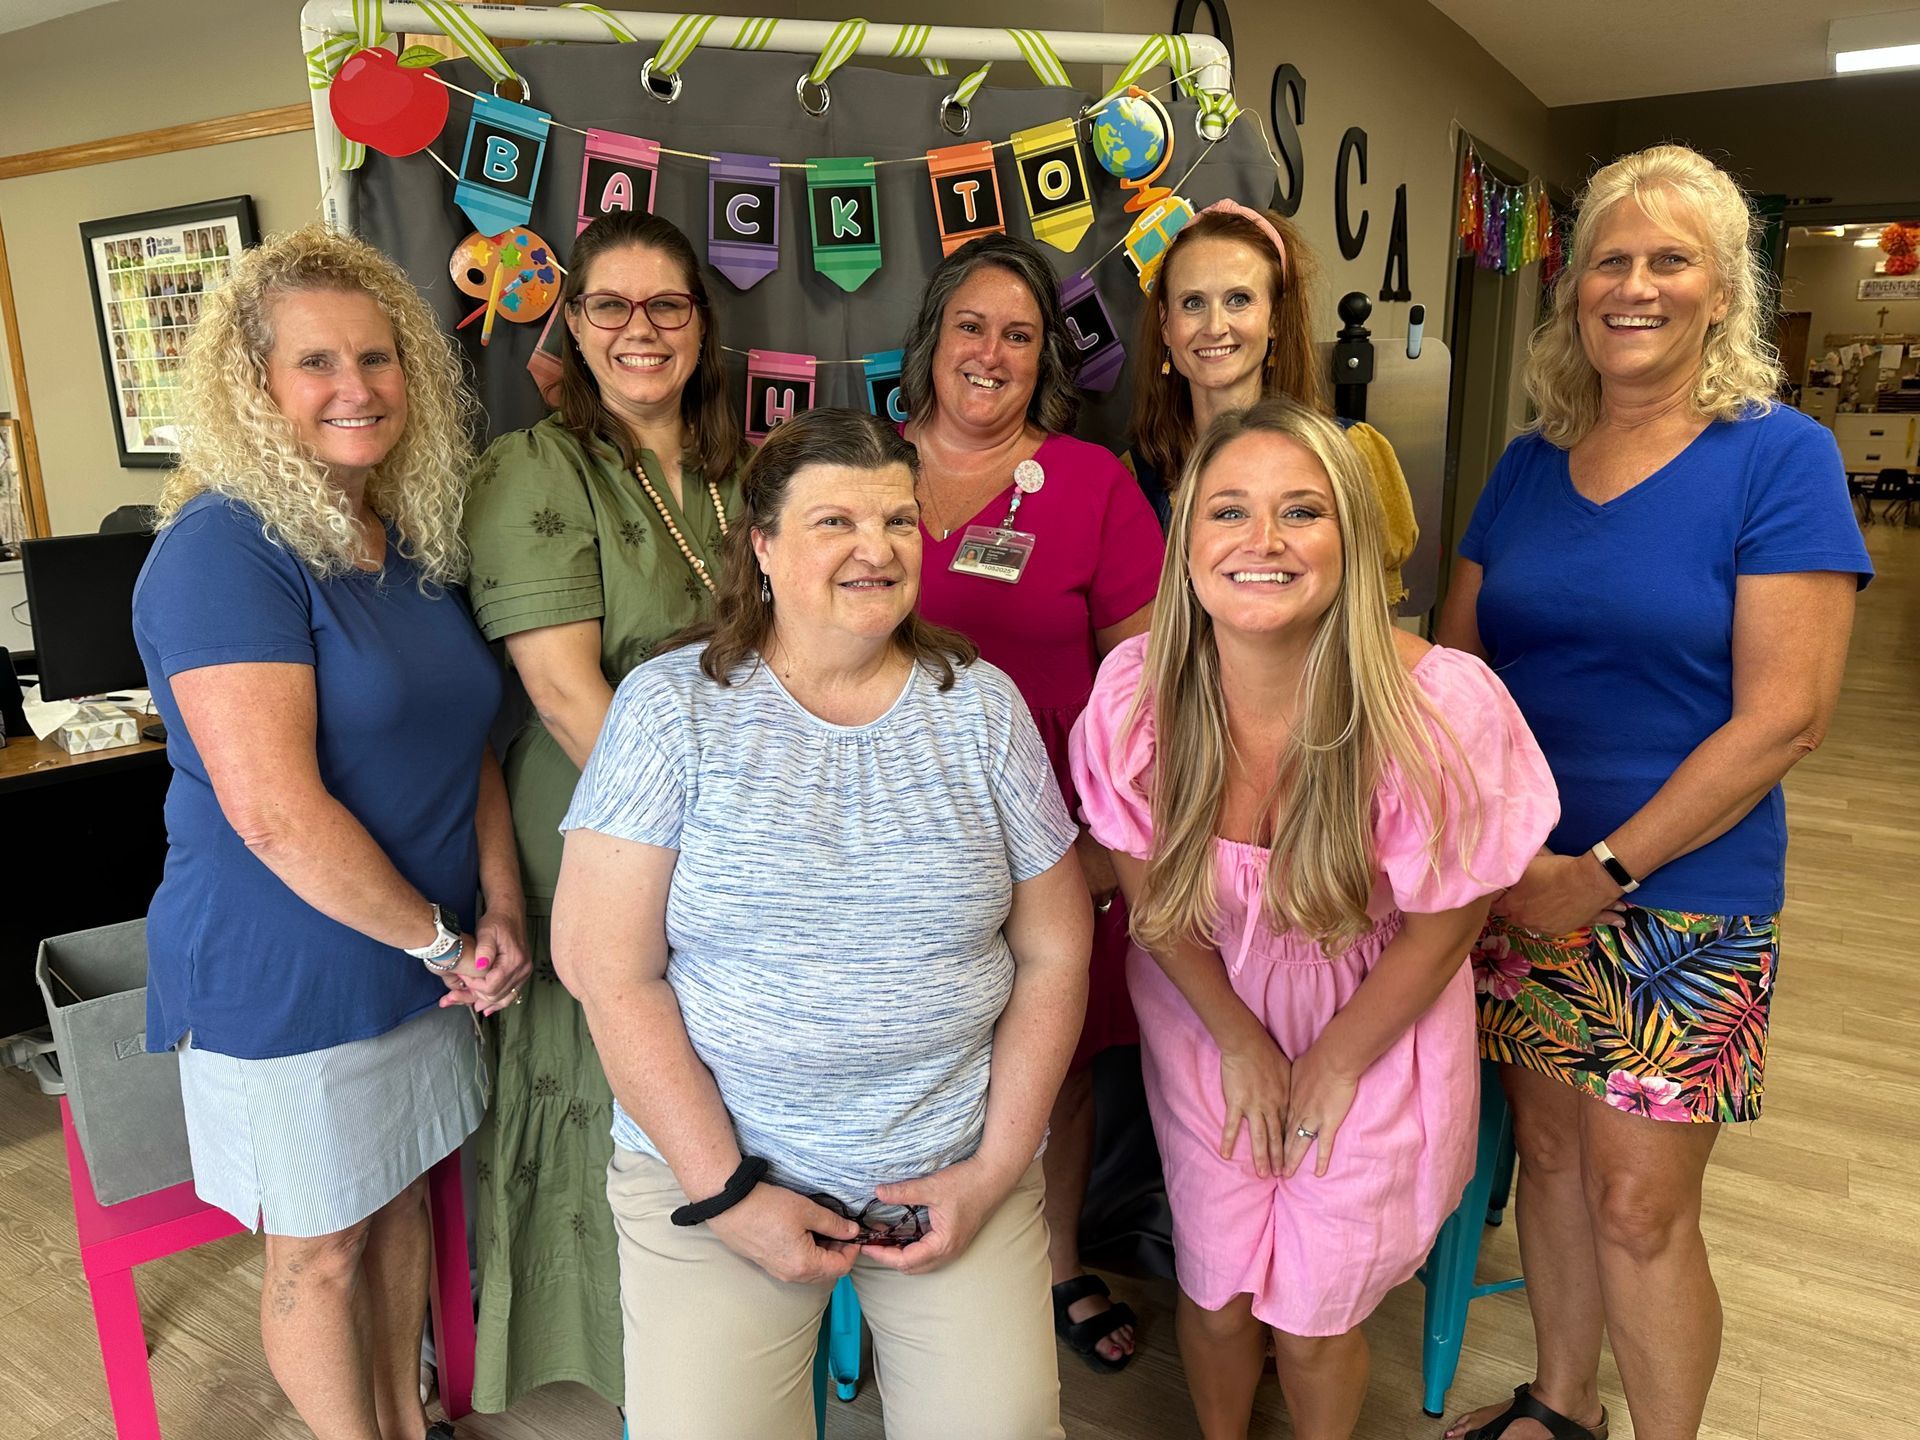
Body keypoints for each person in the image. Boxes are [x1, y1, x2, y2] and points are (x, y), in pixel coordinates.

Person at [1436, 145, 1871, 1440]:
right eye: (1609, 262)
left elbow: (1784, 716)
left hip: (1679, 903)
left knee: (1641, 1207)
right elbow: (1460, 663)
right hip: (1521, 888)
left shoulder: (1779, 460)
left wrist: (1603, 870)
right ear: (1574, 292)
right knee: (1556, 1167)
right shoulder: (1529, 462)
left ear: (1722, 289)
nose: (1634, 286)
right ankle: (1562, 1406)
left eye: (1668, 259)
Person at [553, 408, 1090, 1439]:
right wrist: (726, 1192)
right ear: (762, 545)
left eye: (897, 520)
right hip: (717, 1165)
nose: (875, 549)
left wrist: (993, 1170)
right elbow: (608, 970)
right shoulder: (673, 711)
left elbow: (1057, 947)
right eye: (834, 520)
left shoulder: (982, 708)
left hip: (948, 1160)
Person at [1071, 399, 1558, 1440]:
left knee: (1314, 1314)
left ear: (1352, 534)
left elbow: (1449, 917)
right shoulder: (1134, 695)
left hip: (1379, 1018)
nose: (1263, 541)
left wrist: (1337, 1058)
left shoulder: (1439, 705)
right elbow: (1155, 904)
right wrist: (1239, 1040)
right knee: (1213, 1284)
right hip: (1205, 1008)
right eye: (1229, 511)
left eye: (1302, 512)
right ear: (1186, 540)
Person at [131, 223, 530, 1440]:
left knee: (401, 1200)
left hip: (424, 957)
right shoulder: (220, 552)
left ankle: (409, 1425)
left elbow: (466, 744)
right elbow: (273, 813)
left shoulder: (400, 540)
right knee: (320, 1252)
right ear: (255, 388)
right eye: (315, 364)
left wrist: (500, 910)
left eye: (376, 357)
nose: (355, 388)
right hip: (287, 972)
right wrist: (444, 944)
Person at [460, 209, 743, 1413]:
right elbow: (568, 693)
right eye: (611, 306)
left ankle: (728, 1333)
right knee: (608, 1086)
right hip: (598, 826)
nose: (641, 330)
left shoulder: (741, 472)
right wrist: (709, 841)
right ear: (571, 324)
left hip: (739, 821)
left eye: (666, 305)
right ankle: (630, 1363)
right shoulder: (538, 466)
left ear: (701, 324)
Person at [900, 231, 1164, 1371]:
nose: (992, 353)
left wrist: (1108, 849)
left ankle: (1053, 1268)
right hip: (886, 834)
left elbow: (1153, 693)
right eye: (972, 326)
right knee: (905, 1052)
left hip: (1055, 840)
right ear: (933, 341)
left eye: (1019, 333)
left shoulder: (1094, 486)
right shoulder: (858, 462)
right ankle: (906, 1249)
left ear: (1045, 357)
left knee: (1053, 1065)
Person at [1130, 199, 1420, 607]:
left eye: (1239, 300)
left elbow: (1374, 632)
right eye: (1192, 303)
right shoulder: (1134, 476)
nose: (1215, 327)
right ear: (1165, 325)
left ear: (1275, 320)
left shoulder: (1351, 455)